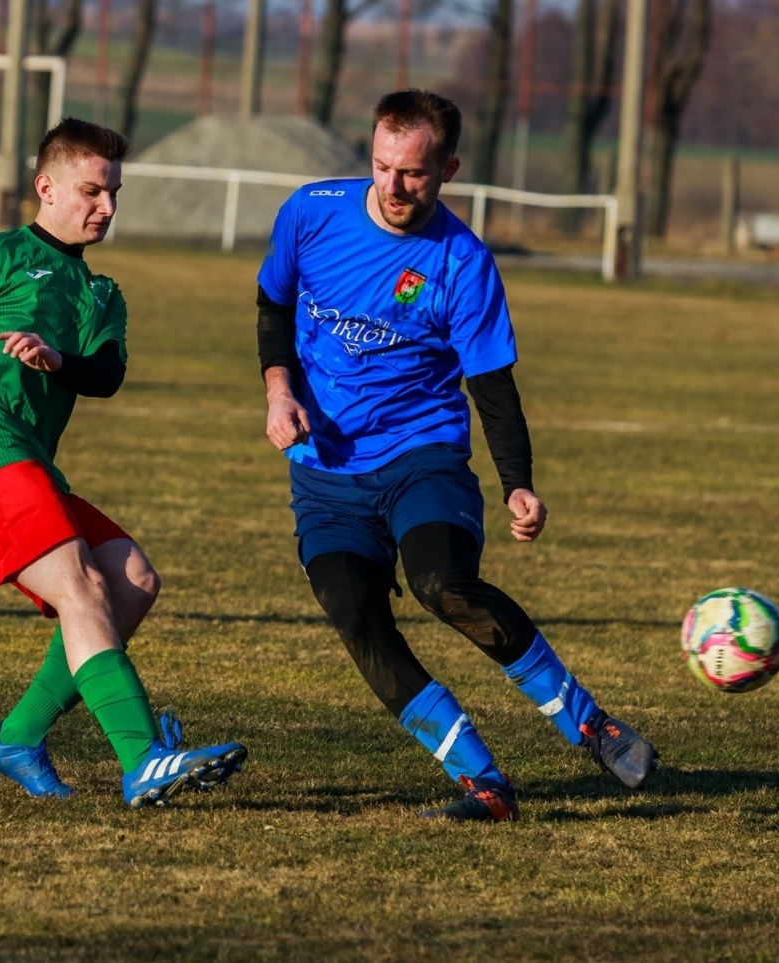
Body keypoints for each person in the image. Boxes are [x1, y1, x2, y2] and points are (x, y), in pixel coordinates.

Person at [255, 89, 657, 823]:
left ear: (448, 168)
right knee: (355, 615)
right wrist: (279, 390)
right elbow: (274, 305)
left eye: (412, 172)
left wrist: (518, 485)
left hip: (422, 453)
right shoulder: (309, 213)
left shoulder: (463, 261)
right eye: (381, 166)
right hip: (323, 472)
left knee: (443, 583)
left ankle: (589, 723)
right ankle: (484, 782)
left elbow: (492, 384)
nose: (393, 186)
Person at [0, 117, 247, 808]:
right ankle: (144, 758)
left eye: (114, 192)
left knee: (133, 580)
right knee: (81, 584)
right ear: (46, 187)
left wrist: (58, 358)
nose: (105, 206)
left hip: (31, 466)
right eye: (90, 190)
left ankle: (17, 735)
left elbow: (105, 375)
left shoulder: (102, 294)